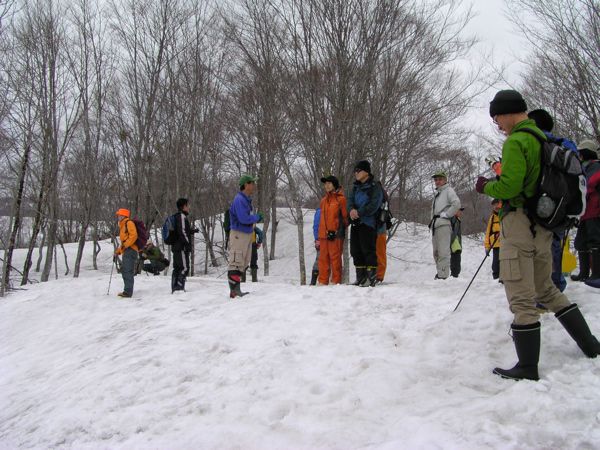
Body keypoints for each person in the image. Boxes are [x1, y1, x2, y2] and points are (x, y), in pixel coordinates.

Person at [475, 89, 600, 381]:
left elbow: (509, 187)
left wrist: (486, 186)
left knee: (520, 294)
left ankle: (527, 365)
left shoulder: (517, 141)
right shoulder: (541, 138)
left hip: (519, 224)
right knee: (546, 289)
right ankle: (590, 344)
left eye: (497, 118)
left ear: (508, 113)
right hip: (544, 227)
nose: (498, 125)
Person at [527, 109, 577, 292]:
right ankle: (555, 287)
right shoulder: (565, 145)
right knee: (554, 246)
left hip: (542, 206)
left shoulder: (537, 144)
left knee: (542, 250)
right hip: (563, 207)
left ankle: (547, 293)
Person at [347, 160, 383, 287]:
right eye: (355, 171)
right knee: (356, 250)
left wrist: (359, 212)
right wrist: (351, 210)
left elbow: (374, 205)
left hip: (368, 222)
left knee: (368, 250)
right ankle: (360, 277)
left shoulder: (375, 186)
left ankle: (371, 277)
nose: (356, 173)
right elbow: (349, 200)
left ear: (366, 172)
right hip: (356, 223)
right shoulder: (355, 187)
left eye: (358, 170)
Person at [228, 174, 263, 298]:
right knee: (236, 260)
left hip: (246, 233)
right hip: (239, 233)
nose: (254, 185)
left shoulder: (245, 199)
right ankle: (234, 291)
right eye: (252, 183)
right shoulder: (240, 199)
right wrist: (257, 217)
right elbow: (243, 218)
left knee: (244, 260)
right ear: (246, 185)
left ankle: (236, 289)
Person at [572, 140, 600, 288]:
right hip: (585, 212)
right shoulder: (585, 168)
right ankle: (584, 273)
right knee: (580, 242)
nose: (579, 156)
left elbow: (589, 185)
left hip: (595, 211)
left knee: (595, 241)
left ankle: (597, 274)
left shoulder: (596, 167)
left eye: (581, 153)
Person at [429, 171, 461, 280]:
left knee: (443, 251)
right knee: (436, 252)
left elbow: (456, 203)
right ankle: (440, 273)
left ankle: (443, 276)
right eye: (436, 180)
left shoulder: (448, 190)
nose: (437, 181)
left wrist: (447, 214)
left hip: (443, 224)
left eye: (440, 179)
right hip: (436, 225)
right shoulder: (438, 194)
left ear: (445, 180)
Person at [317, 175, 348, 285]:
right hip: (323, 235)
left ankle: (335, 282)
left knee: (335, 259)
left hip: (335, 235)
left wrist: (336, 231)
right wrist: (319, 235)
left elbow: (345, 218)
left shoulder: (341, 199)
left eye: (329, 183)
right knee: (323, 260)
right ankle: (322, 282)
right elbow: (320, 218)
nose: (327, 185)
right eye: (325, 184)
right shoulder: (323, 201)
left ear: (334, 184)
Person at [170, 198, 197, 293]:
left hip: (176, 247)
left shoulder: (177, 216)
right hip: (181, 247)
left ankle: (175, 287)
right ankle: (179, 287)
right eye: (187, 205)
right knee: (184, 267)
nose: (189, 207)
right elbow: (182, 231)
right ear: (184, 206)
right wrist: (187, 244)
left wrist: (192, 231)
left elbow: (181, 231)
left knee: (177, 267)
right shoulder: (181, 216)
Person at [114, 208, 139, 298]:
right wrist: (118, 251)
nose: (118, 216)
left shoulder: (129, 223)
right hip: (128, 250)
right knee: (125, 270)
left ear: (123, 216)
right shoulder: (123, 225)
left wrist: (125, 246)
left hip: (131, 250)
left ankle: (128, 292)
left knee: (127, 270)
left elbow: (134, 236)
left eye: (119, 215)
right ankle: (127, 290)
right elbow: (124, 242)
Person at [484, 199, 502, 280]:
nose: (496, 207)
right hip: (496, 244)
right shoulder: (492, 218)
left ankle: (504, 279)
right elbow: (488, 233)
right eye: (494, 205)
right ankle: (496, 278)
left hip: (507, 244)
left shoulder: (506, 215)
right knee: (496, 264)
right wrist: (487, 247)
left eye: (497, 204)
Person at [450, 208, 464, 278]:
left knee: (456, 259)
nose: (461, 212)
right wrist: (450, 242)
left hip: (456, 243)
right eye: (459, 210)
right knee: (455, 259)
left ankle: (455, 275)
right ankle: (454, 275)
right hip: (454, 243)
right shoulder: (453, 218)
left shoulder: (457, 219)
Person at [310, 208, 321, 285]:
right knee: (319, 259)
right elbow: (316, 226)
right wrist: (317, 238)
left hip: (330, 239)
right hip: (321, 240)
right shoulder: (320, 211)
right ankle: (313, 282)